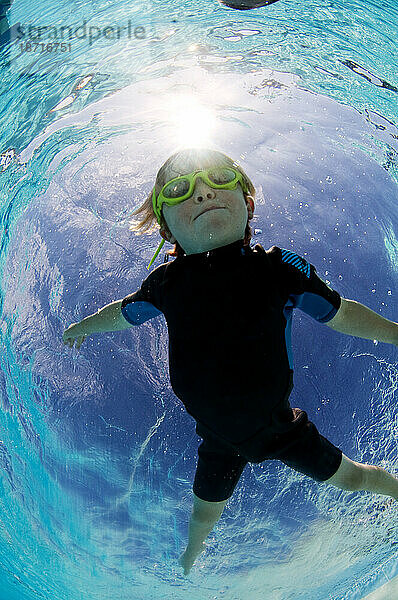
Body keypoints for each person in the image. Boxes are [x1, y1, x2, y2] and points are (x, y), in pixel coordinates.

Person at [63, 148, 398, 577]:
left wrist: (394, 333)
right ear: (167, 230)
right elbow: (123, 311)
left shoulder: (278, 268)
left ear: (248, 202)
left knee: (353, 479)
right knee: (204, 515)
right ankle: (189, 560)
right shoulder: (167, 282)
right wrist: (83, 328)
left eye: (219, 179)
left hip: (281, 430)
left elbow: (341, 312)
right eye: (181, 189)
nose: (203, 193)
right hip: (219, 441)